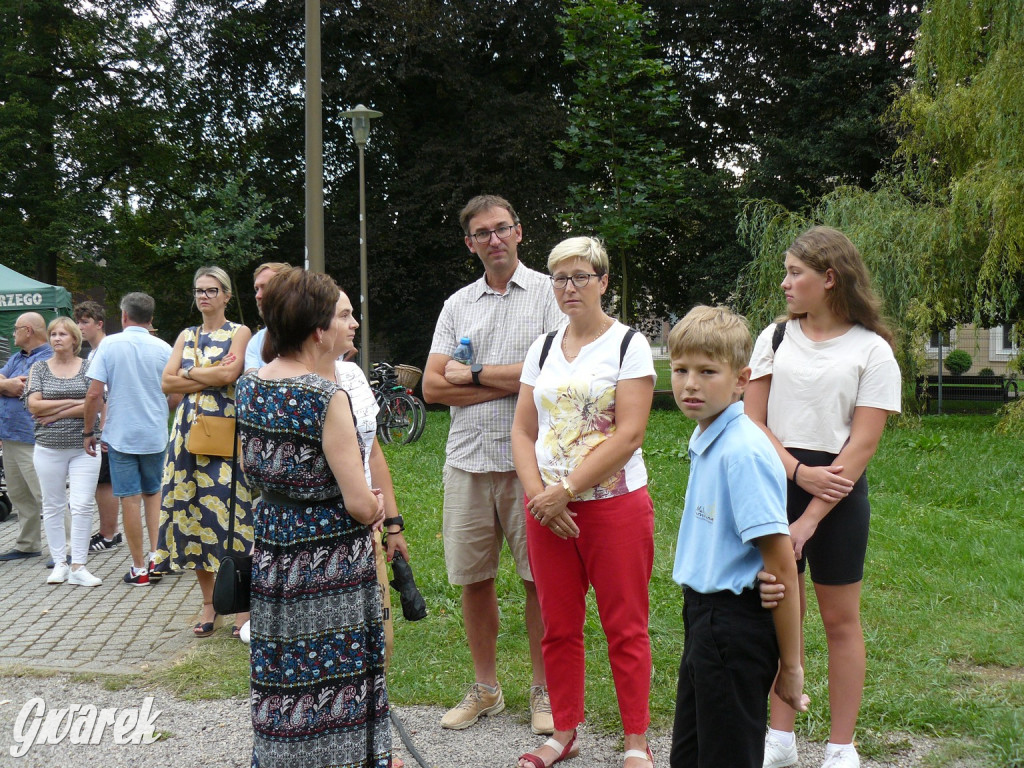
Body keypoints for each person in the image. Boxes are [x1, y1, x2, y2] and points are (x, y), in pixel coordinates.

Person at [745, 227, 901, 768]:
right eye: (786, 272)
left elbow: (862, 444)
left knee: (840, 620)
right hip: (774, 484)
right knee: (781, 613)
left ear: (829, 279)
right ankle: (780, 739)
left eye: (795, 273)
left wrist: (810, 516)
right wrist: (794, 471)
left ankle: (841, 746)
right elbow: (752, 419)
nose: (785, 283)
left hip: (837, 497)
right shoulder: (776, 337)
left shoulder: (872, 350)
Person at [510, 236, 657, 768]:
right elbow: (523, 431)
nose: (569, 288)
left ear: (603, 282)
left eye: (580, 277)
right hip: (547, 511)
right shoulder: (543, 347)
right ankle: (563, 731)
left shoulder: (627, 345)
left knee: (625, 625)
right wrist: (539, 497)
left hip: (612, 506)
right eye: (559, 278)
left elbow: (629, 434)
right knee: (559, 625)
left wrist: (566, 490)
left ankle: (636, 741)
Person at [235, 267, 390, 768]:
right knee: (334, 669)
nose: (351, 325)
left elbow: (248, 467)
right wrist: (378, 506)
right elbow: (359, 502)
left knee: (282, 664)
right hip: (329, 560)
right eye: (340, 317)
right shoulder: (326, 399)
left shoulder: (250, 386)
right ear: (318, 330)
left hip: (275, 544)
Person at [423, 194, 564, 734]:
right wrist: (515, 379)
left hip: (533, 465)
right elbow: (435, 387)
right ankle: (486, 688)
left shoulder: (550, 300)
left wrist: (474, 375)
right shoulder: (459, 303)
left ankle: (543, 691)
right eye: (482, 233)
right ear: (470, 243)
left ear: (520, 232)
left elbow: (550, 378)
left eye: (502, 228)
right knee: (473, 580)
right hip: (467, 462)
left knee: (538, 582)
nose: (494, 239)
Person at [666, 305, 808, 768]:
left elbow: (782, 564)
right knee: (691, 754)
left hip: (733, 626)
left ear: (741, 380)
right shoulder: (708, 436)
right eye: (681, 369)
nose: (690, 384)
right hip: (703, 618)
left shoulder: (743, 451)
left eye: (708, 371)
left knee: (726, 756)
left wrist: (791, 667)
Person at [155, 266, 253, 638]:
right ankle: (210, 606)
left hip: (225, 433)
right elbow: (166, 381)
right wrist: (208, 372)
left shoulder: (239, 332)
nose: (204, 296)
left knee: (232, 518)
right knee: (193, 516)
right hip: (186, 436)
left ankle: (242, 609)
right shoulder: (186, 334)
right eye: (199, 290)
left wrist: (191, 373)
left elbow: (230, 377)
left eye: (212, 290)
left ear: (227, 295)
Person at [84, 293, 173, 587]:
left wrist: (88, 431)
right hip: (154, 434)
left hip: (120, 435)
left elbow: (95, 394)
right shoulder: (164, 348)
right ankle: (158, 559)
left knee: (130, 501)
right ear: (151, 317)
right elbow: (176, 394)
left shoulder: (108, 345)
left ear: (124, 316)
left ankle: (139, 570)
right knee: (154, 496)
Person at [26, 317, 103, 586]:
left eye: (63, 334)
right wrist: (77, 402)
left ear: (74, 339)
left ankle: (79, 565)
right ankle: (59, 562)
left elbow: (97, 402)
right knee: (53, 505)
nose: (57, 338)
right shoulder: (39, 368)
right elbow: (34, 406)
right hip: (47, 447)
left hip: (85, 446)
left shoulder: (89, 367)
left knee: (82, 505)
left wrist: (58, 407)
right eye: (53, 334)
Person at [0, 312, 53, 561]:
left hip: (33, 437)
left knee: (46, 494)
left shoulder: (47, 359)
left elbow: (25, 388)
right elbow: (10, 383)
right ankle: (28, 543)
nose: (13, 334)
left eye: (16, 329)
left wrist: (8, 384)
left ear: (28, 330)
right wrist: (6, 384)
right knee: (19, 495)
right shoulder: (17, 358)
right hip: (9, 435)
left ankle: (67, 548)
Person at [75, 300, 122, 553]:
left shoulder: (105, 349)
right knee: (100, 480)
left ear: (99, 324)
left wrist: (101, 429)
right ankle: (107, 530)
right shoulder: (92, 353)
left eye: (85, 322)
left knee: (105, 481)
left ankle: (109, 533)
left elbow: (103, 395)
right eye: (78, 322)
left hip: (109, 426)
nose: (80, 327)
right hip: (105, 425)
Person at [244, 261, 291, 371]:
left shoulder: (309, 335)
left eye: (266, 287)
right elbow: (251, 383)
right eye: (257, 289)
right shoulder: (257, 341)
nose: (258, 296)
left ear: (286, 290)